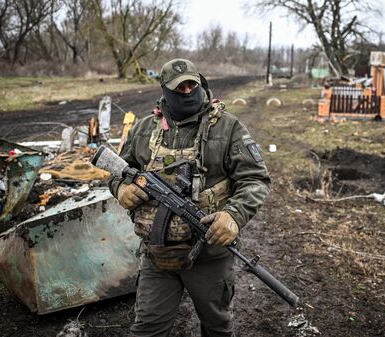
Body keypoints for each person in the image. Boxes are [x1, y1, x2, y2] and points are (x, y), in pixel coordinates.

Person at [109, 58, 270, 337]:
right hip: (156, 254)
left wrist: (233, 215)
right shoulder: (145, 129)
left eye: (190, 86)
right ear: (164, 91)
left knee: (217, 328)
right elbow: (119, 171)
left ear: (200, 84)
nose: (186, 92)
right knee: (146, 329)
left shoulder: (228, 128)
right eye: (178, 88)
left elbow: (255, 179)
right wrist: (121, 189)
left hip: (209, 255)